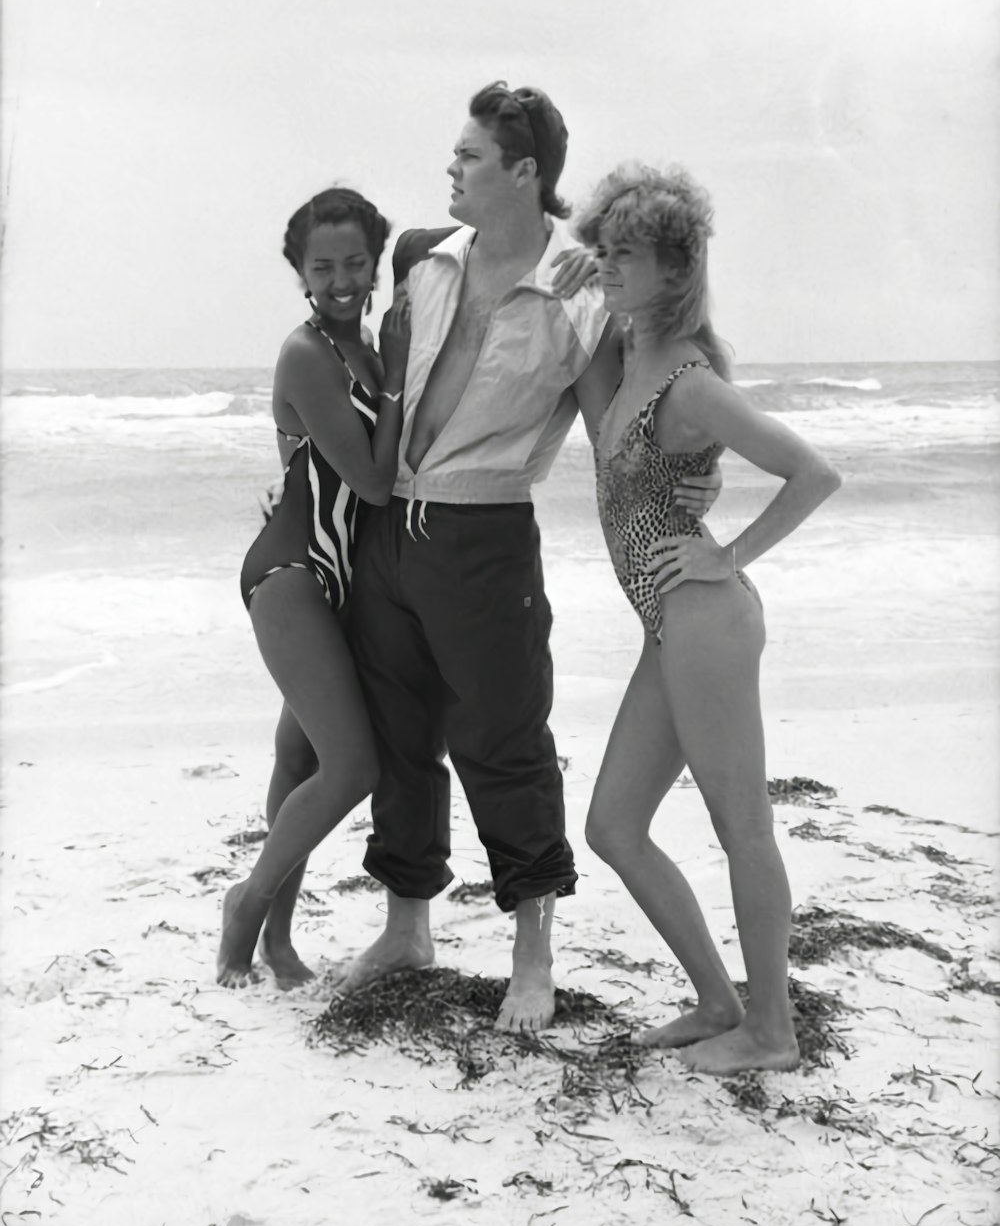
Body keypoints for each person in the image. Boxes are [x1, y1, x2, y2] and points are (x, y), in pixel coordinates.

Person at [334, 84, 718, 1032]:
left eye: (469, 157)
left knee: (504, 744)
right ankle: (408, 924)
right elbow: (375, 383)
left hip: (483, 536)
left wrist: (692, 489)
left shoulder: (583, 295)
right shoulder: (423, 258)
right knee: (400, 736)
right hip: (393, 531)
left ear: (525, 173)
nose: (453, 169)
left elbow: (622, 421)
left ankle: (533, 952)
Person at [576, 162, 841, 1074]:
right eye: (603, 252)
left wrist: (728, 554)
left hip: (706, 620)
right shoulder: (628, 356)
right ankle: (718, 1000)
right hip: (668, 624)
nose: (608, 268)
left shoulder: (688, 383)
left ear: (675, 268)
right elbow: (579, 375)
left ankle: (772, 1030)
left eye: (625, 256)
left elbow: (814, 473)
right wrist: (574, 287)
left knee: (744, 827)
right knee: (611, 825)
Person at [217, 187, 410, 989]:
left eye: (356, 263)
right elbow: (368, 481)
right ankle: (246, 903)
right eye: (322, 266)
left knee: (298, 762)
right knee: (351, 768)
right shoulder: (308, 353)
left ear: (376, 265)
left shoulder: (360, 347)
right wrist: (399, 381)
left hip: (336, 582)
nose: (340, 279)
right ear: (299, 270)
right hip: (293, 576)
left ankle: (277, 943)